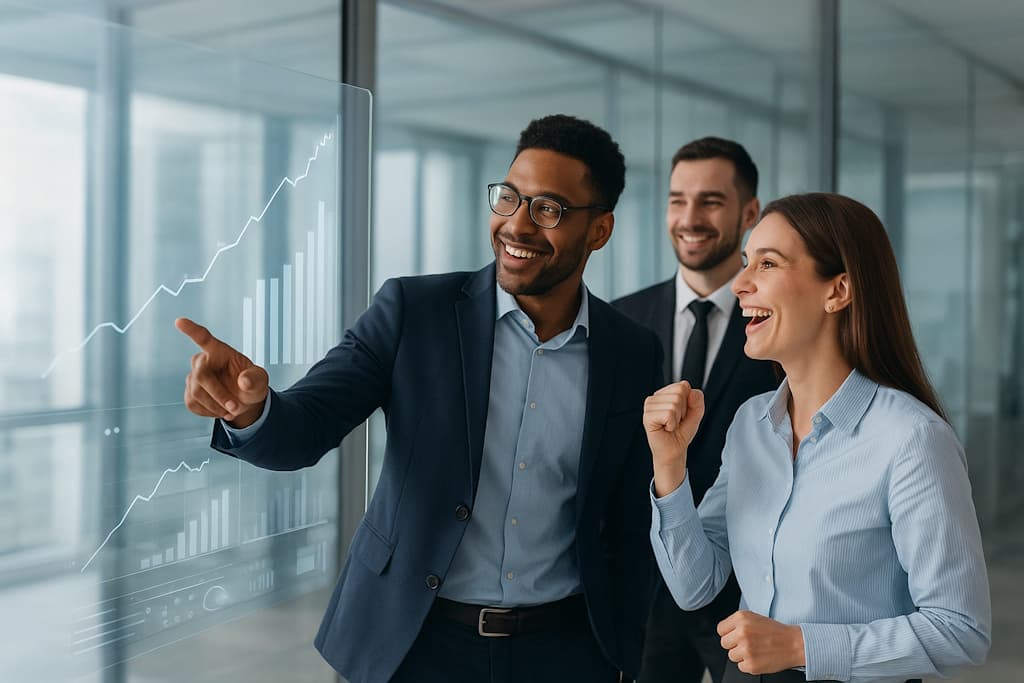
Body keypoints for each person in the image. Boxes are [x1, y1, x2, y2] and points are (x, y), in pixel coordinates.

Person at [176, 114, 661, 683]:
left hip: (563, 650)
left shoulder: (631, 352)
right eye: (509, 198)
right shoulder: (415, 312)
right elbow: (306, 426)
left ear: (599, 230)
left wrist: (623, 654)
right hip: (414, 644)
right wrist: (251, 410)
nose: (518, 225)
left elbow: (632, 522)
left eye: (548, 209)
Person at [643, 192, 991, 683]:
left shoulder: (912, 439)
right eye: (746, 263)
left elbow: (960, 630)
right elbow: (694, 586)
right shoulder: (750, 426)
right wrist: (669, 468)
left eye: (767, 263)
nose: (740, 284)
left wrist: (799, 645)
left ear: (838, 291)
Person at [613, 137, 778, 683]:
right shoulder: (623, 321)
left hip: (750, 593)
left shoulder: (779, 328)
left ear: (748, 213)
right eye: (677, 199)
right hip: (646, 585)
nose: (689, 217)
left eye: (710, 201)